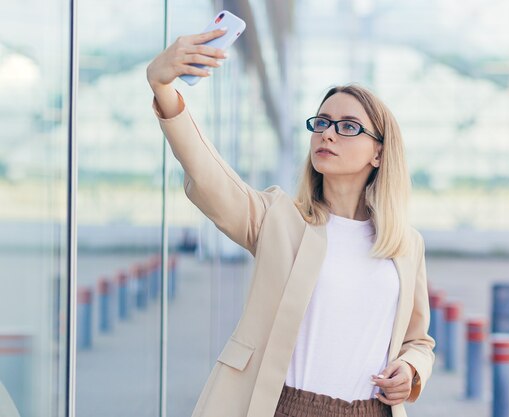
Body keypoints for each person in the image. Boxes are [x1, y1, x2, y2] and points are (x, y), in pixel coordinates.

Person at [147, 28, 435, 417]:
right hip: (286, 406)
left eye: (348, 127)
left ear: (379, 154)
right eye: (322, 122)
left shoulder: (405, 244)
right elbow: (210, 176)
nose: (328, 134)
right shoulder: (279, 219)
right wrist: (164, 88)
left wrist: (413, 368)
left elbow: (418, 340)